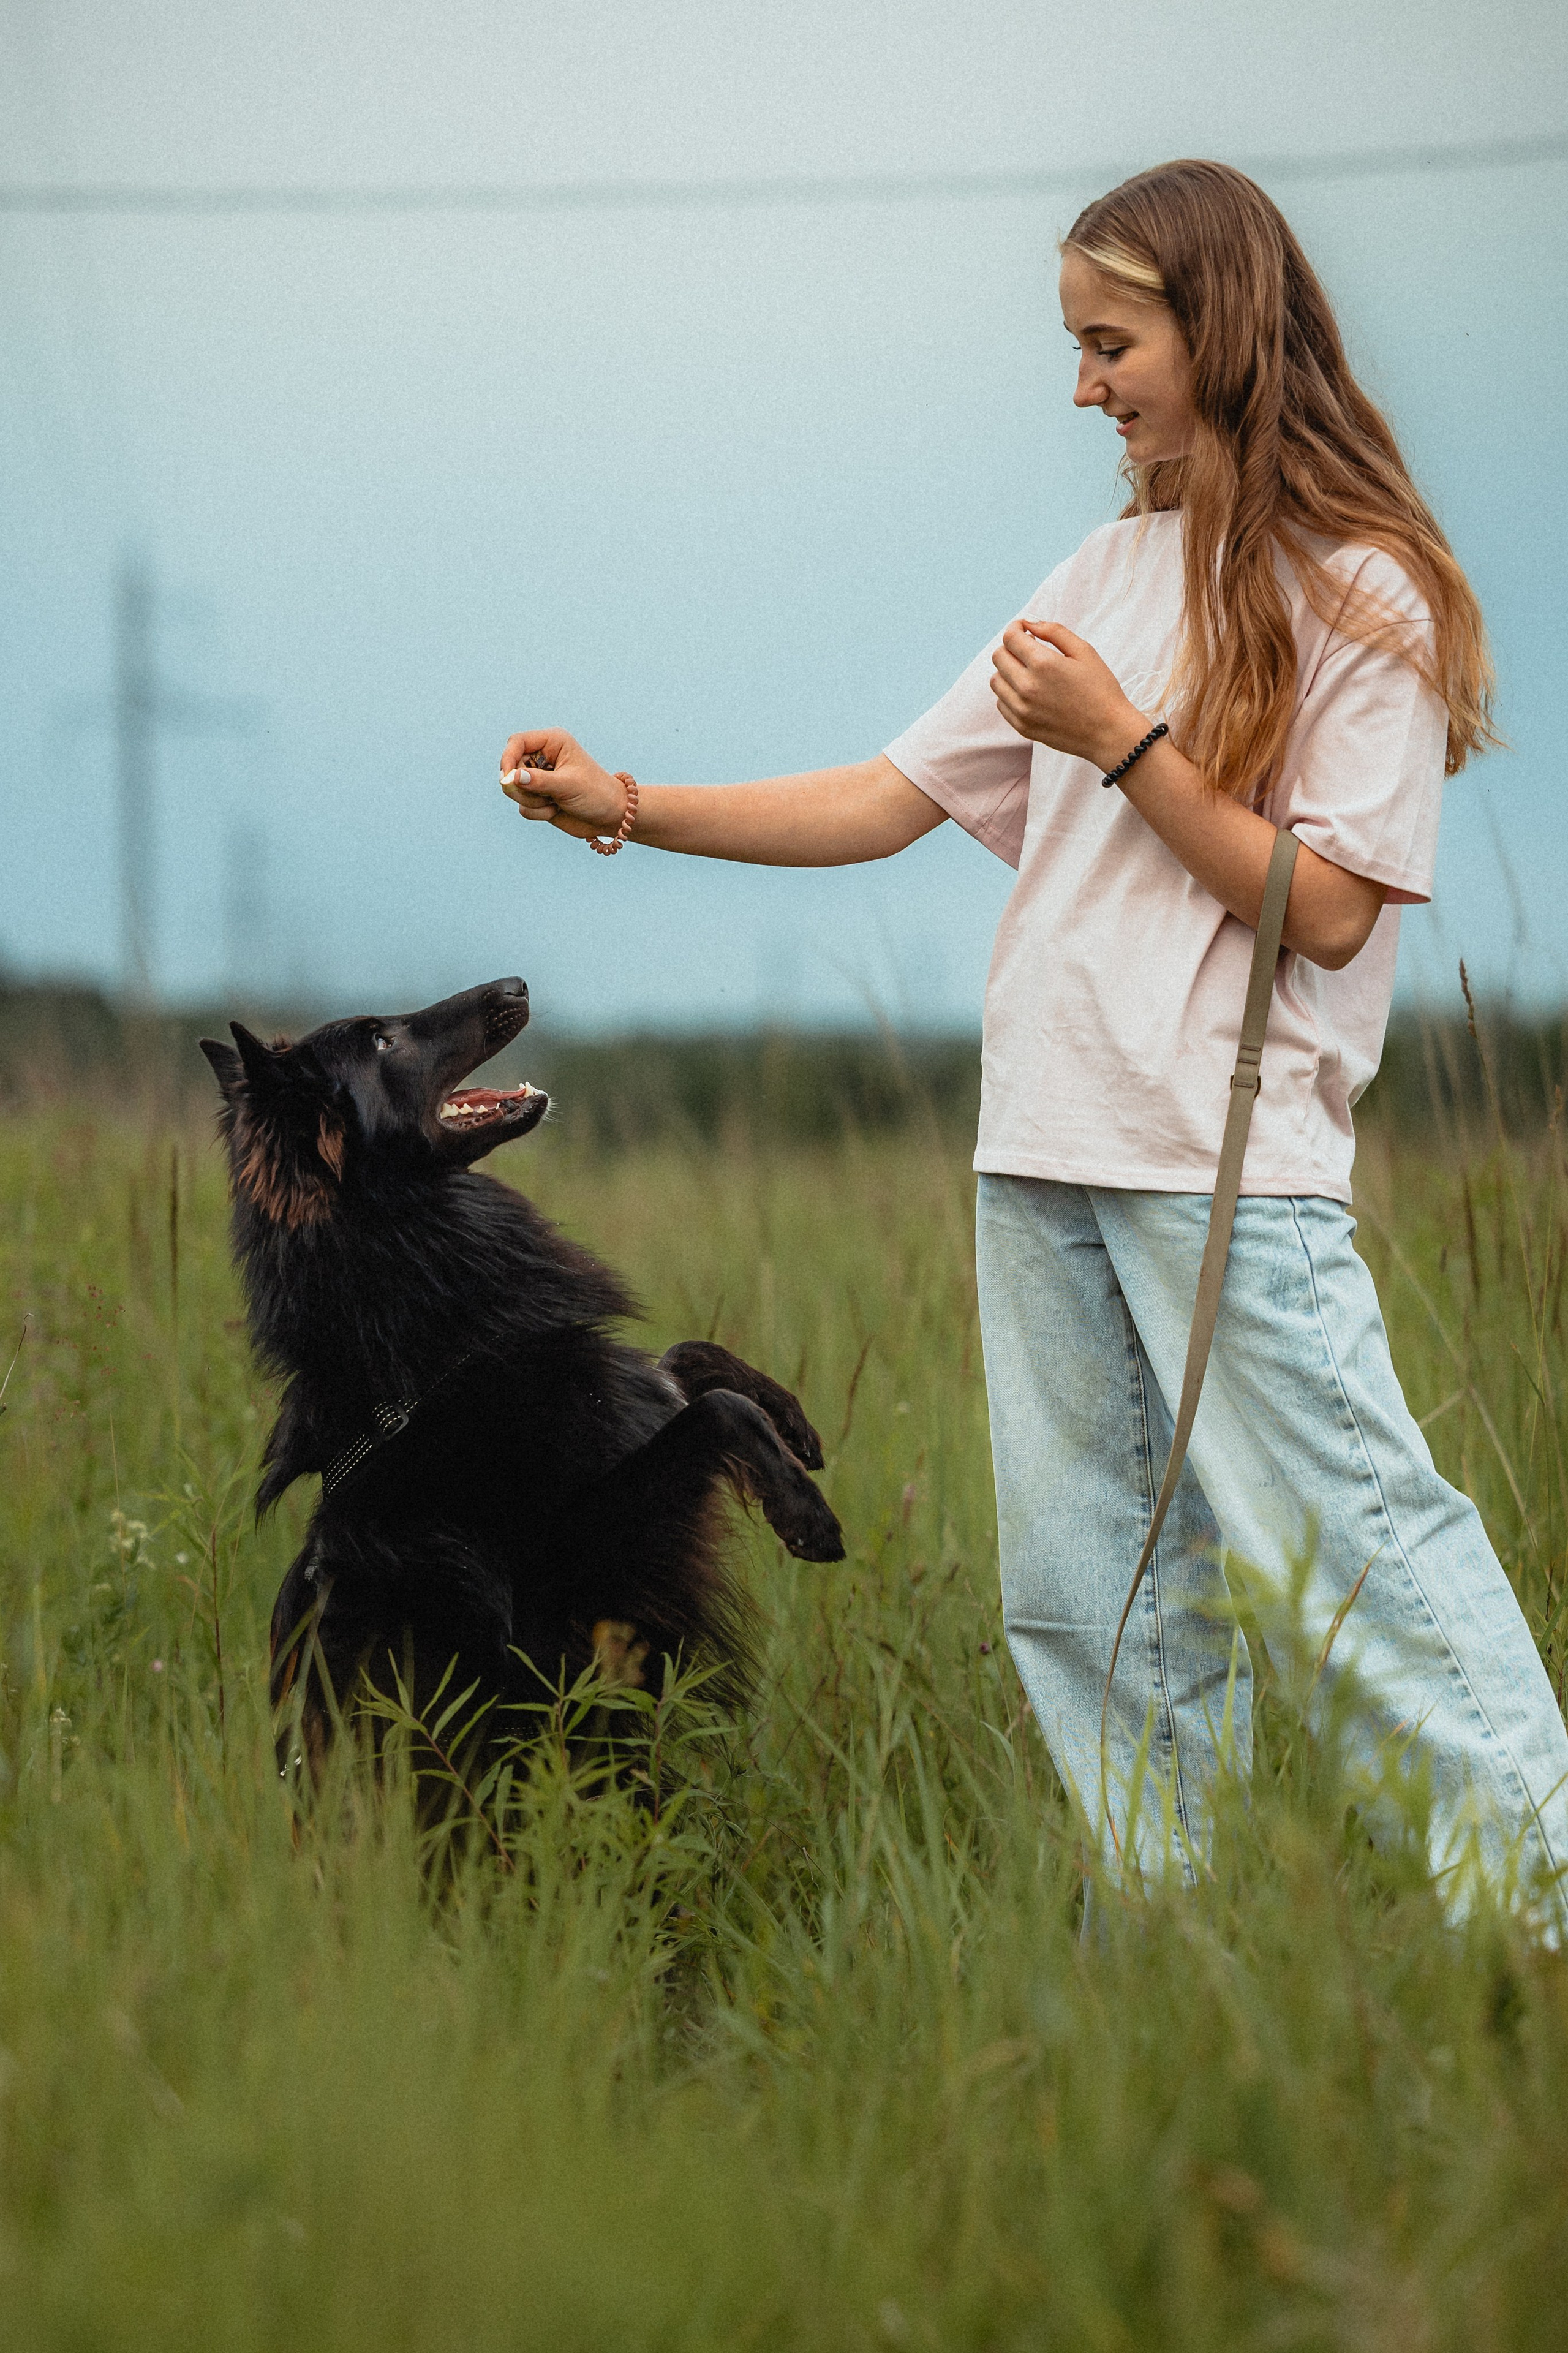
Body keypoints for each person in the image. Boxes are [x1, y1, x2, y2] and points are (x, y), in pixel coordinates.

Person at [497, 159, 1568, 1914]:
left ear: (1215, 328)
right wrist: (629, 803)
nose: (1083, 387)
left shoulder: (1362, 588)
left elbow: (1325, 907)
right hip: (1044, 1153)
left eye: (1108, 342)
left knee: (1360, 1559)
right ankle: (1188, 1966)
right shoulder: (1102, 567)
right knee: (1088, 1601)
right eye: (1077, 348)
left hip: (1223, 1168)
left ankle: (1535, 1910)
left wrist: (1126, 738)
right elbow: (883, 795)